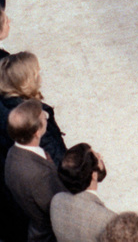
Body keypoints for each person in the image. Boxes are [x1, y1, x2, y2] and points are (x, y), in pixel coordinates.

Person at [4, 99, 65, 242]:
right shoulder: (40, 176)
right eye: (44, 117)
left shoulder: (12, 153)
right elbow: (58, 207)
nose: (46, 116)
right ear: (37, 132)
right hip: (48, 235)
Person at [0, 53, 66, 164]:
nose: (39, 77)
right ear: (26, 82)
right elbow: (56, 160)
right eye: (36, 73)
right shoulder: (32, 120)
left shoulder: (5, 104)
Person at [50, 144, 115, 242]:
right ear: (94, 175)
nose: (100, 155)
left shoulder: (56, 200)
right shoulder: (107, 219)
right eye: (97, 157)